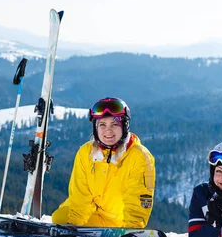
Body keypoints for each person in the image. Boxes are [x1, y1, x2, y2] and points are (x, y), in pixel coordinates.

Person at [51, 97, 156, 228]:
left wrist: (132, 228)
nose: (108, 130)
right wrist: (73, 225)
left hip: (120, 220)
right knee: (59, 217)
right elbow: (80, 194)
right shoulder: (86, 152)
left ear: (125, 126)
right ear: (95, 128)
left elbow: (137, 197)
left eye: (115, 124)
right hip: (95, 215)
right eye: (102, 125)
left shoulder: (139, 156)